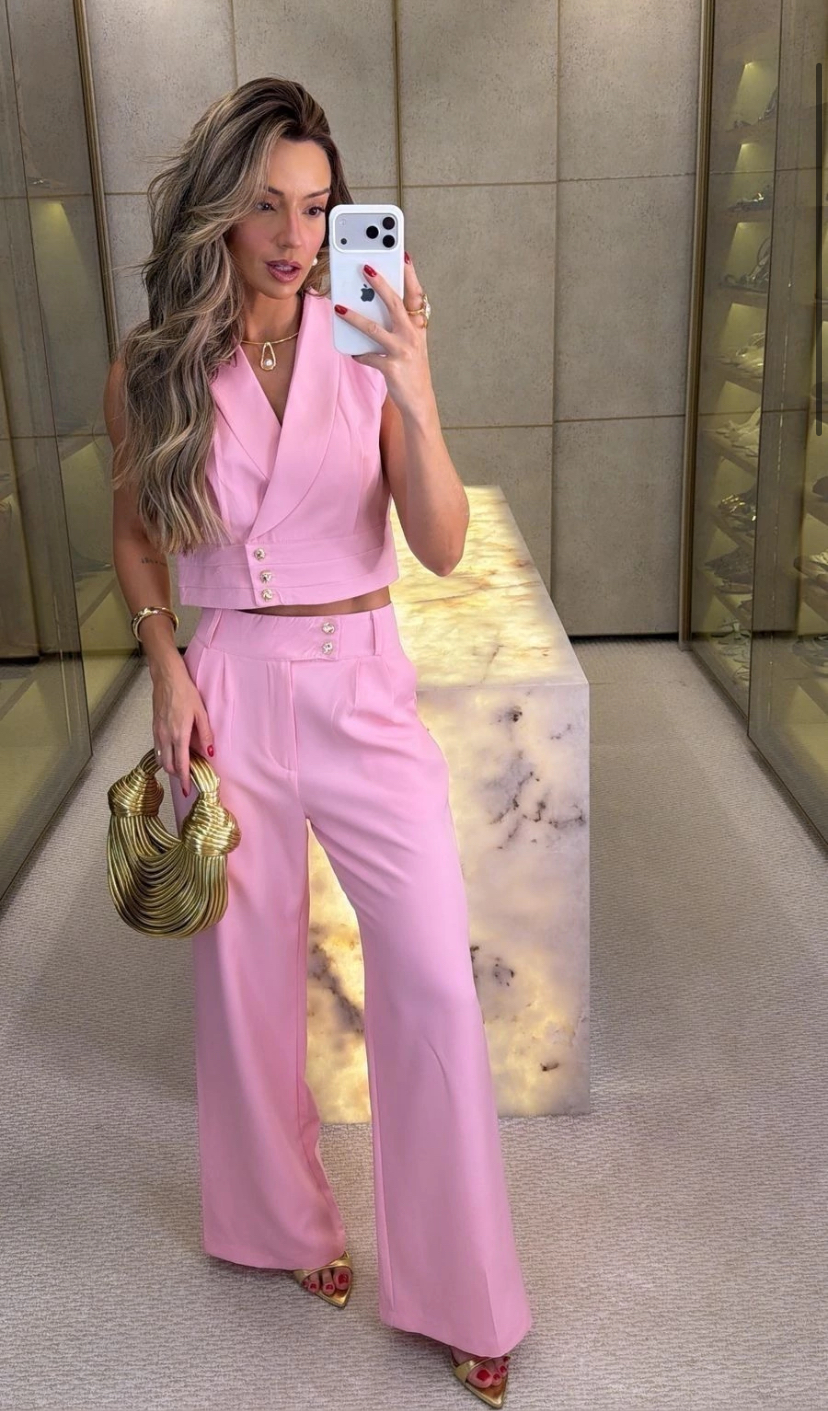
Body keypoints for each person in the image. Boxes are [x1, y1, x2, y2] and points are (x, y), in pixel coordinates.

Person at [104, 76, 532, 1407]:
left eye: (318, 207)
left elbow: (441, 544)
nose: (295, 237)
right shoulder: (155, 366)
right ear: (220, 215)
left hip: (362, 681)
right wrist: (166, 666)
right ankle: (281, 1226)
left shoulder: (367, 338)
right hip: (230, 683)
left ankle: (461, 1286)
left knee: (433, 981)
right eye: (267, 207)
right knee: (243, 985)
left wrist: (415, 384)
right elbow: (133, 532)